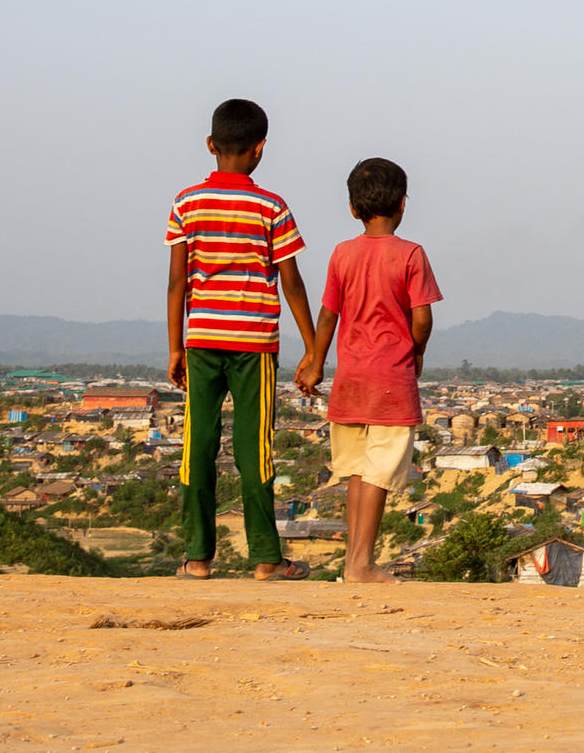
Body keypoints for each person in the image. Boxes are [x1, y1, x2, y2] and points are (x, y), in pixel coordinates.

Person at [165, 98, 318, 581]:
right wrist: (313, 349)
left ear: (211, 145)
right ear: (260, 150)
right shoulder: (271, 206)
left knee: (199, 446)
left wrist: (175, 346)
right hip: (255, 342)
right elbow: (290, 282)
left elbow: (178, 282)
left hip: (201, 338)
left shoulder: (186, 204)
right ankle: (267, 560)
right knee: (255, 450)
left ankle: (196, 558)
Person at [298, 156, 442, 585]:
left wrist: (314, 363)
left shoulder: (342, 254)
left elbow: (327, 316)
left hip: (351, 378)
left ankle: (353, 562)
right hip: (390, 379)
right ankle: (362, 565)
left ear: (352, 207)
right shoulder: (411, 254)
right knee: (379, 473)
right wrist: (416, 353)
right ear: (402, 203)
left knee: (358, 472)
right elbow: (422, 318)